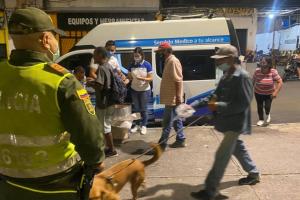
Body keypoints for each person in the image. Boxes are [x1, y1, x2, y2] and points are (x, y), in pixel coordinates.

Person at [0, 7, 105, 200]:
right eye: (54, 36)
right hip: (56, 186)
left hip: (8, 184)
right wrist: (96, 162)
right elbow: (89, 137)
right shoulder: (61, 81)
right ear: (45, 39)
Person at [187, 45, 260, 200]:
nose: (217, 63)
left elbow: (243, 104)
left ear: (231, 59)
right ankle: (253, 173)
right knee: (238, 148)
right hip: (227, 121)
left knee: (221, 155)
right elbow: (214, 96)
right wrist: (192, 106)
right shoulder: (226, 75)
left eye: (220, 60)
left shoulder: (243, 77)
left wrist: (218, 106)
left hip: (236, 123)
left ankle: (210, 190)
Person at [155, 42, 186, 150]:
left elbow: (178, 80)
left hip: (173, 98)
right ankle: (181, 139)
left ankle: (162, 144)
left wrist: (178, 97)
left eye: (161, 52)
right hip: (171, 98)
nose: (160, 54)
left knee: (167, 121)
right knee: (177, 120)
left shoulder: (173, 61)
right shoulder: (169, 61)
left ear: (166, 51)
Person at [93, 47, 118, 157]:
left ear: (99, 55)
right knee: (106, 125)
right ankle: (109, 148)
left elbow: (100, 85)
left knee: (105, 127)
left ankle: (112, 150)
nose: (93, 57)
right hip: (110, 101)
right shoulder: (108, 66)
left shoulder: (102, 68)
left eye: (94, 54)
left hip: (103, 102)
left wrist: (90, 84)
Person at [128, 47, 153, 135]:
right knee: (136, 109)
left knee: (144, 109)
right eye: (135, 56)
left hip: (144, 90)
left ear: (142, 55)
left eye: (138, 56)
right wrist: (127, 78)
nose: (136, 57)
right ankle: (137, 125)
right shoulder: (131, 65)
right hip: (134, 89)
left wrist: (142, 78)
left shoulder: (147, 64)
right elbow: (129, 77)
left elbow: (150, 78)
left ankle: (144, 125)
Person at [253, 56, 283, 126]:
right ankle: (261, 119)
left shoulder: (273, 72)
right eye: (261, 62)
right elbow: (253, 81)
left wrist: (275, 92)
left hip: (269, 93)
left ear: (268, 64)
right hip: (258, 92)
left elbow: (280, 82)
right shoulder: (257, 71)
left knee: (267, 106)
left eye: (263, 62)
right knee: (259, 106)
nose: (261, 64)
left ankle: (267, 113)